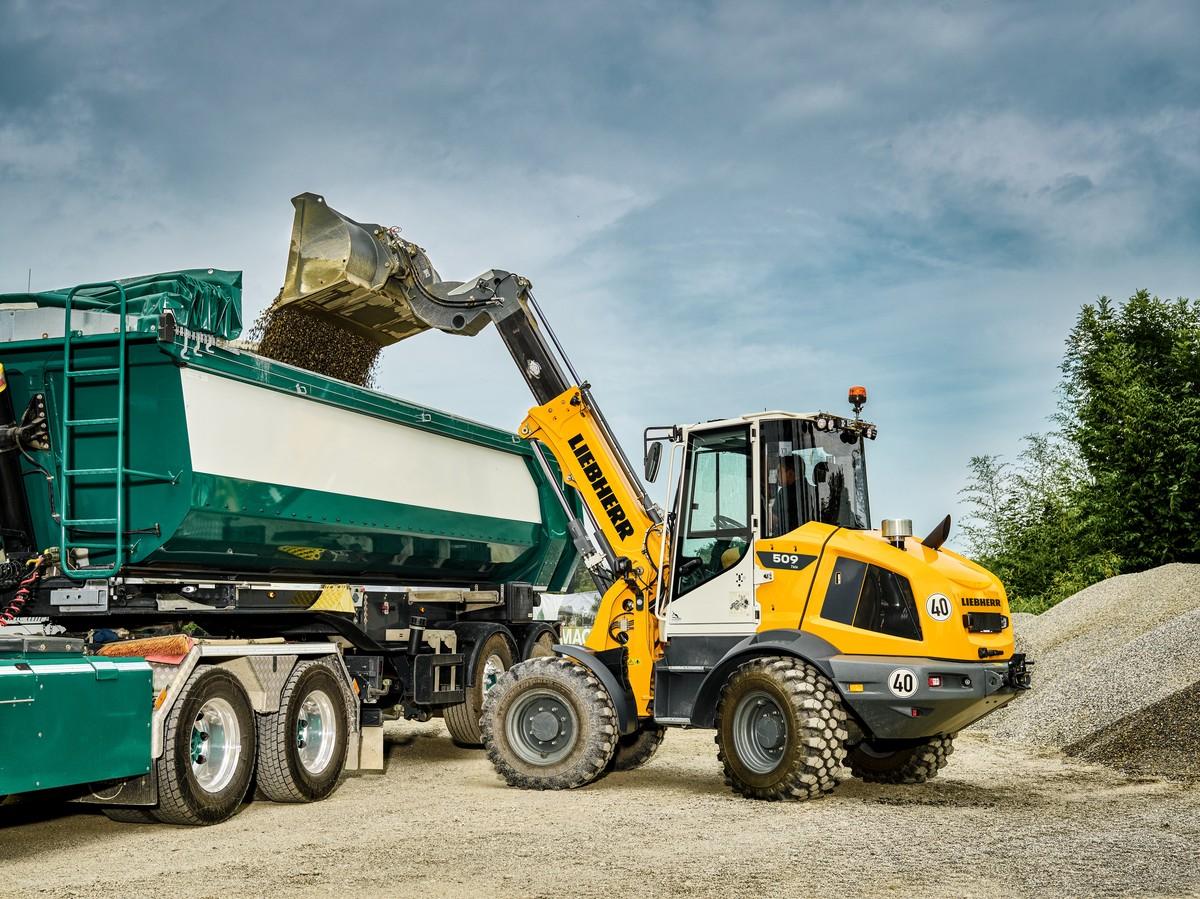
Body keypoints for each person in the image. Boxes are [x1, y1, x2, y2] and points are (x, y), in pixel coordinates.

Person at [771, 456, 801, 535]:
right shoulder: (808, 489)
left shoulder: (784, 493)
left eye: (779, 472)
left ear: (790, 473)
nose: (777, 476)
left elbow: (773, 521)